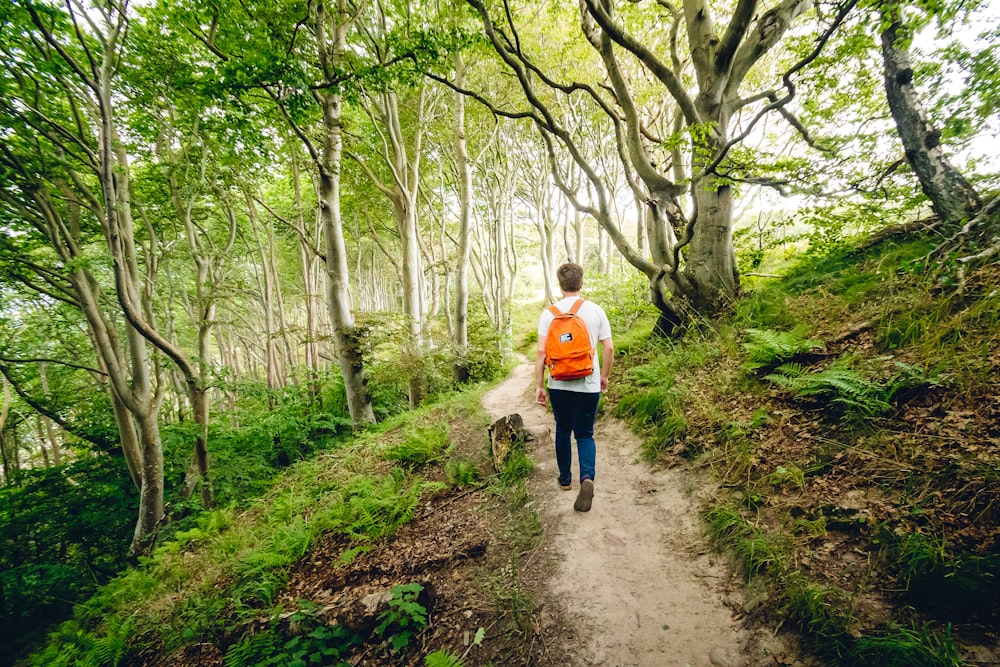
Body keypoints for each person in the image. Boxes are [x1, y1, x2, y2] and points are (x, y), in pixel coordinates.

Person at [535, 263, 613, 513]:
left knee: (563, 430)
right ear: (581, 282)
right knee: (585, 434)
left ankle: (566, 480)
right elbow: (609, 348)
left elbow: (540, 352)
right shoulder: (595, 310)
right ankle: (587, 478)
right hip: (588, 382)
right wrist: (604, 376)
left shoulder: (549, 313)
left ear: (560, 284)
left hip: (558, 383)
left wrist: (540, 385)